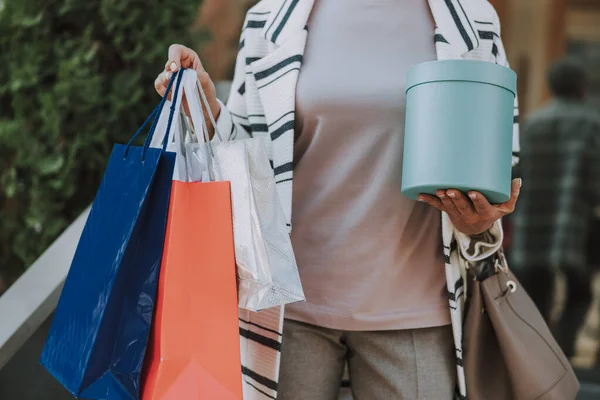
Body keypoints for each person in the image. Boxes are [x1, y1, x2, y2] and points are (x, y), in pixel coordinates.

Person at [155, 1, 520, 398]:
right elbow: (251, 158)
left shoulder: (471, 16)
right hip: (289, 307)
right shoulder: (271, 16)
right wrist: (207, 108)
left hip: (415, 308)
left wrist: (478, 223)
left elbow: (498, 162)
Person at [511, 57, 600, 361]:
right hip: (577, 224)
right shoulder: (592, 122)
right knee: (580, 292)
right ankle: (563, 349)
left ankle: (538, 360)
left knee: (536, 295)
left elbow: (515, 171)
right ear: (581, 86)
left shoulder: (533, 123)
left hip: (532, 223)